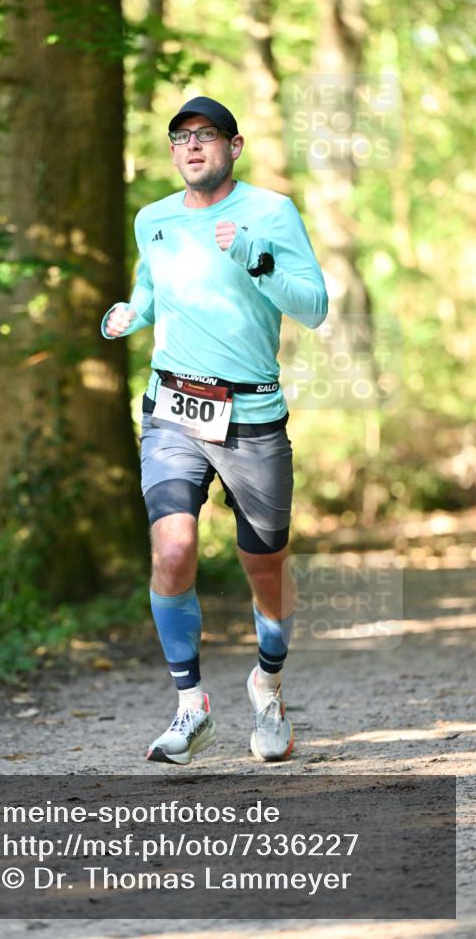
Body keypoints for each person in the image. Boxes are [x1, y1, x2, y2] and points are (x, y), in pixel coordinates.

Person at [101, 96, 328, 765]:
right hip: (170, 407)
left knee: (267, 566)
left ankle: (268, 682)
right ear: (171, 152)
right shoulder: (154, 219)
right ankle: (189, 705)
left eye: (206, 135)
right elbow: (150, 289)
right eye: (180, 137)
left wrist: (257, 258)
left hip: (250, 416)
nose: (192, 145)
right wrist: (129, 313)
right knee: (172, 550)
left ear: (234, 146)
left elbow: (312, 307)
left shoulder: (269, 213)